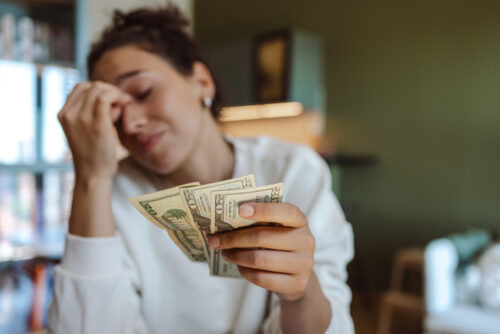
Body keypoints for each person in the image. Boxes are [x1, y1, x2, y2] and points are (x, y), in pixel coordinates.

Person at [48, 5, 354, 334]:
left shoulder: (295, 170)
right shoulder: (110, 191)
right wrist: (90, 178)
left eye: (143, 92)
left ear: (202, 81)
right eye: (114, 114)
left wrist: (302, 292)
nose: (132, 123)